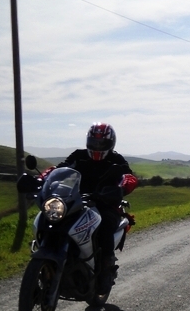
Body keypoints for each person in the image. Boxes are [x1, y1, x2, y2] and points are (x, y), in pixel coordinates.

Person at [55, 123, 138, 294]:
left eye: (102, 143)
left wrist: (121, 188)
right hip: (78, 201)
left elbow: (129, 177)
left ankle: (106, 269)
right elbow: (60, 168)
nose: (97, 146)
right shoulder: (79, 156)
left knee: (105, 226)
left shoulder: (116, 160)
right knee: (56, 219)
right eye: (94, 142)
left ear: (110, 144)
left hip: (106, 203)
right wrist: (42, 178)